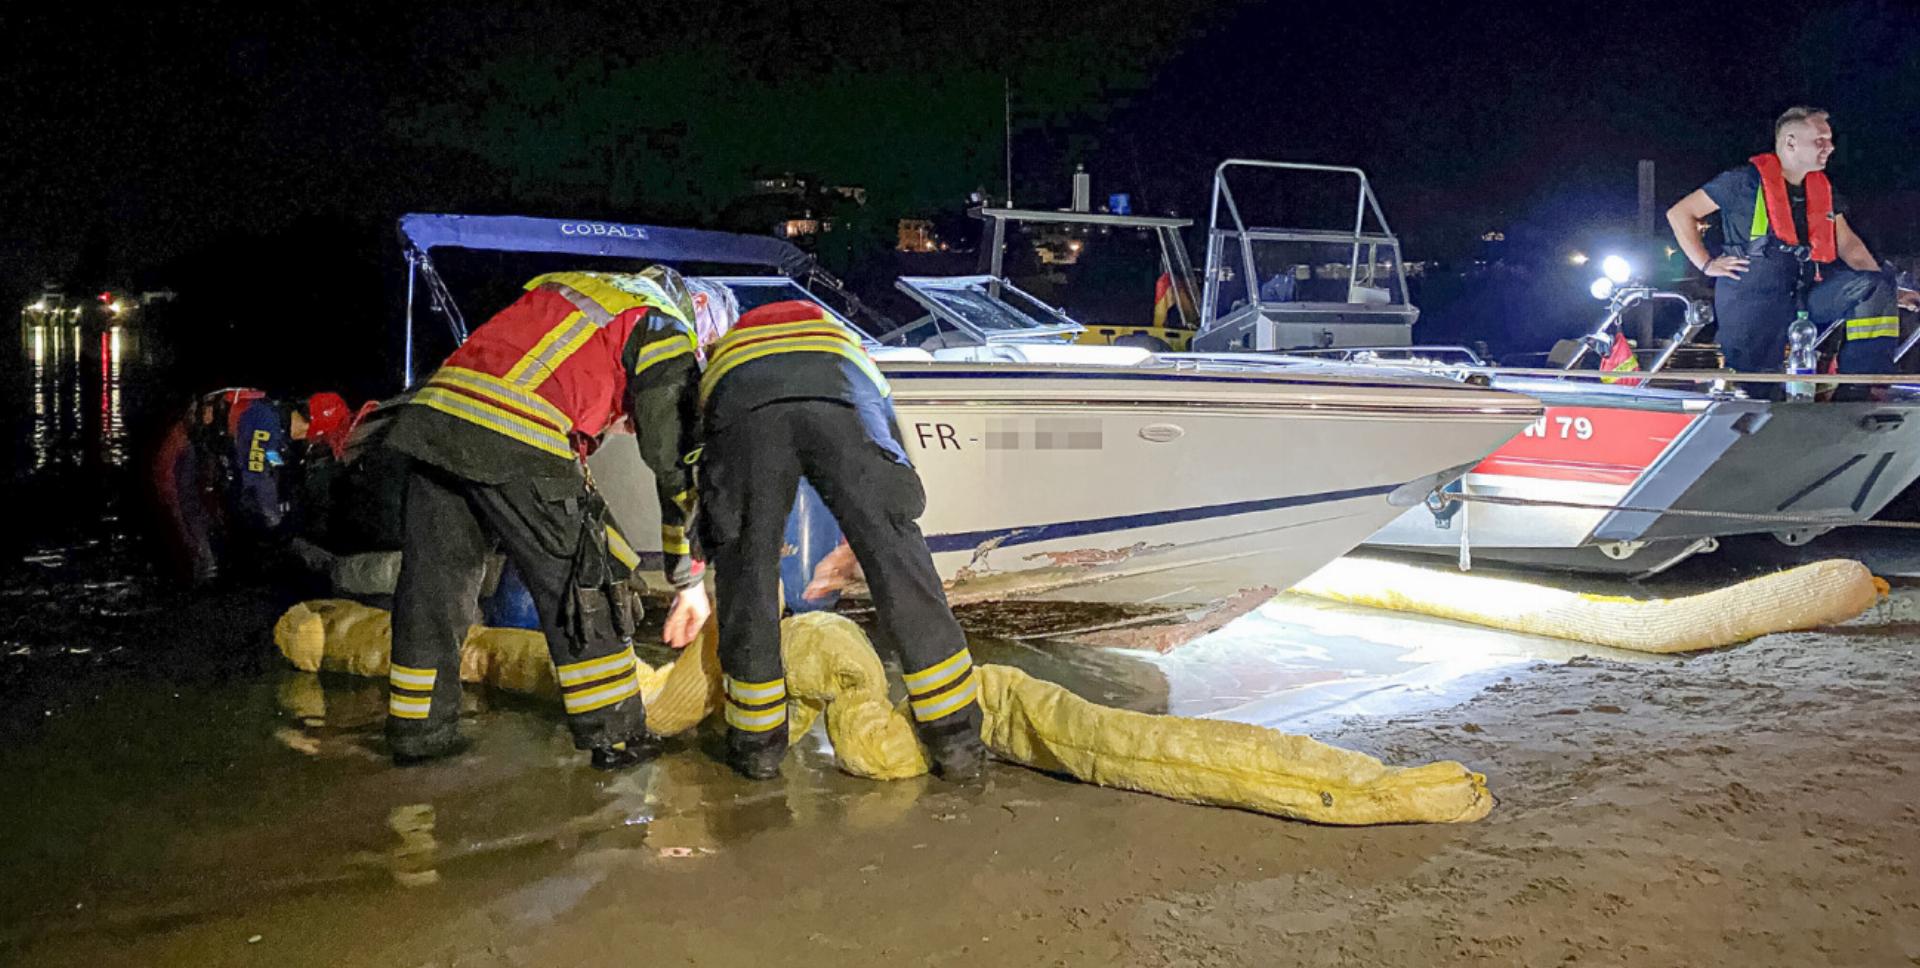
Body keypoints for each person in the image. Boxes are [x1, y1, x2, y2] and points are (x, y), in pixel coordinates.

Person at [378, 267, 722, 770]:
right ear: (700, 309)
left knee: (434, 590)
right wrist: (688, 580)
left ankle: (419, 730)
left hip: (436, 416)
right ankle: (618, 736)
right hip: (517, 426)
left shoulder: (580, 291)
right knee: (586, 580)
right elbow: (672, 463)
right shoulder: (662, 321)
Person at [694, 299, 988, 782]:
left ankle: (756, 748)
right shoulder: (845, 345)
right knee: (899, 562)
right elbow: (891, 453)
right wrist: (871, 532)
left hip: (745, 410)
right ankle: (956, 742)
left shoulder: (725, 357)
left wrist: (703, 543)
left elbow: (704, 455)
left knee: (747, 570)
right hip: (843, 398)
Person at [1666, 106, 1919, 397]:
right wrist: (1706, 263)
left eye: (1830, 139)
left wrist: (1889, 292)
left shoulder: (1823, 190)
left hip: (1804, 293)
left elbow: (1849, 245)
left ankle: (1861, 391)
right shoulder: (1741, 182)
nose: (1830, 147)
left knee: (1874, 285)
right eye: (1820, 140)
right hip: (1751, 297)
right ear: (1790, 142)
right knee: (1758, 390)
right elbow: (1680, 213)